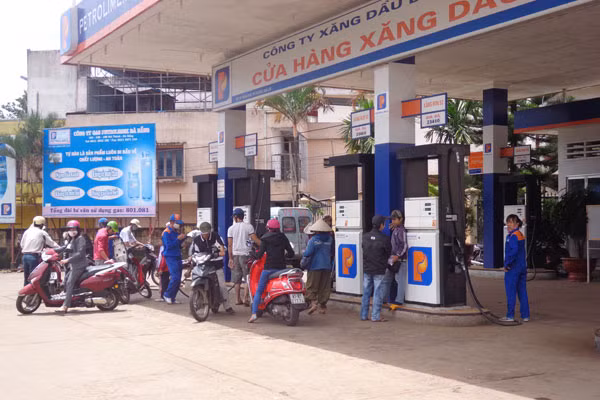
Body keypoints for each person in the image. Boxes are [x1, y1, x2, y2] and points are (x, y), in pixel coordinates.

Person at [248, 219, 294, 323]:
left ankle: (254, 314)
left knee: (259, 291)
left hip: (269, 268)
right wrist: (285, 256)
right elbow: (291, 253)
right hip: (282, 268)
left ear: (268, 228)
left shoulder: (265, 239)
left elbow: (259, 255)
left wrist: (253, 254)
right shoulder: (283, 237)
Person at [191, 222, 234, 313]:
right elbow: (194, 253)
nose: (205, 235)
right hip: (203, 265)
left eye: (207, 233)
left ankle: (227, 306)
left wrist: (219, 252)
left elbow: (222, 249)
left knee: (222, 286)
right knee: (196, 282)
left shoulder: (216, 237)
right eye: (204, 233)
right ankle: (195, 304)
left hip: (216, 265)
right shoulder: (197, 240)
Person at [361, 215, 392, 322]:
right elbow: (388, 252)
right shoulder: (385, 239)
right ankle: (375, 316)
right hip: (379, 269)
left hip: (367, 268)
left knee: (366, 292)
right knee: (378, 293)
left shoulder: (365, 237)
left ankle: (364, 315)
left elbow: (363, 248)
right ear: (381, 225)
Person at [227, 208, 260, 306]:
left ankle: (237, 299)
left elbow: (230, 245)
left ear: (235, 217)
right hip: (246, 255)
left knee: (237, 279)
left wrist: (230, 258)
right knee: (248, 277)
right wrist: (264, 245)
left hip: (235, 255)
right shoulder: (249, 227)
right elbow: (255, 239)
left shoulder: (231, 229)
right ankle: (246, 298)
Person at [501, 214, 530, 322]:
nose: (509, 224)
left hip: (513, 268)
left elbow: (513, 251)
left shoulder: (513, 236)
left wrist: (507, 264)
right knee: (522, 291)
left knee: (511, 292)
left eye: (511, 222)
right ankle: (525, 315)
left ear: (517, 224)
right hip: (522, 267)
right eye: (508, 222)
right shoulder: (520, 235)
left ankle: (510, 316)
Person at [58, 220, 89, 313]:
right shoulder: (72, 239)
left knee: (69, 283)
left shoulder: (80, 239)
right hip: (73, 266)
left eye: (74, 229)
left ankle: (66, 305)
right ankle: (69, 299)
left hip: (79, 266)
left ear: (78, 230)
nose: (72, 231)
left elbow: (80, 253)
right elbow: (65, 248)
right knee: (65, 281)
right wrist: (51, 250)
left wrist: (67, 260)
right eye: (70, 229)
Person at [303, 219, 333, 315]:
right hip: (327, 265)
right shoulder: (330, 239)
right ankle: (323, 306)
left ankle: (313, 303)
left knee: (311, 286)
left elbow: (308, 253)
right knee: (324, 287)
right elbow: (332, 252)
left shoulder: (313, 240)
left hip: (314, 266)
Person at [20, 216, 60, 286]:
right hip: (34, 257)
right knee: (34, 278)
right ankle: (34, 291)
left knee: (27, 277)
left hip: (25, 256)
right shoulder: (42, 232)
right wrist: (60, 248)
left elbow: (22, 244)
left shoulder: (27, 232)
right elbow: (51, 243)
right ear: (42, 225)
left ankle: (26, 290)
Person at [162, 214, 186, 304]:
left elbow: (177, 245)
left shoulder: (176, 232)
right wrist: (178, 239)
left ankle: (172, 297)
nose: (179, 225)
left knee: (178, 279)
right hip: (170, 256)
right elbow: (169, 246)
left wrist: (182, 241)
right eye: (177, 223)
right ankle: (167, 295)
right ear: (172, 222)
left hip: (177, 256)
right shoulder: (166, 232)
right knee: (175, 277)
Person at [387, 209, 408, 307]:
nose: (393, 221)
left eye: (395, 219)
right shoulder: (396, 229)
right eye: (392, 220)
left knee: (400, 280)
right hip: (394, 259)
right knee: (391, 279)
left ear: (401, 219)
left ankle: (399, 300)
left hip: (400, 260)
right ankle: (387, 299)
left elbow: (404, 245)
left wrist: (398, 255)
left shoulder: (401, 231)